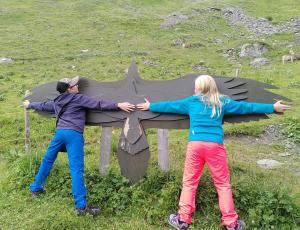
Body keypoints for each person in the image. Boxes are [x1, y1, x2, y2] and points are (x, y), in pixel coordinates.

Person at [137, 75, 291, 230]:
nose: (194, 89)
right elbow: (247, 108)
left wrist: (151, 106)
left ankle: (183, 219)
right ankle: (231, 223)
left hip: (195, 145)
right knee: (223, 184)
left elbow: (170, 106)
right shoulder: (222, 102)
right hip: (215, 146)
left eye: (196, 86)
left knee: (189, 182)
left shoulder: (191, 102)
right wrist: (272, 107)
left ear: (199, 88)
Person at [23, 76, 135, 216]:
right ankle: (81, 206)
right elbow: (98, 104)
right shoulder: (78, 98)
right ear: (69, 89)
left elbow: (44, 105)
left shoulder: (57, 101)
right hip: (73, 135)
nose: (77, 86)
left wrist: (29, 104)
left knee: (47, 160)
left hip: (59, 134)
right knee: (76, 170)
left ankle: (35, 187)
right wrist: (118, 105)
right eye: (74, 85)